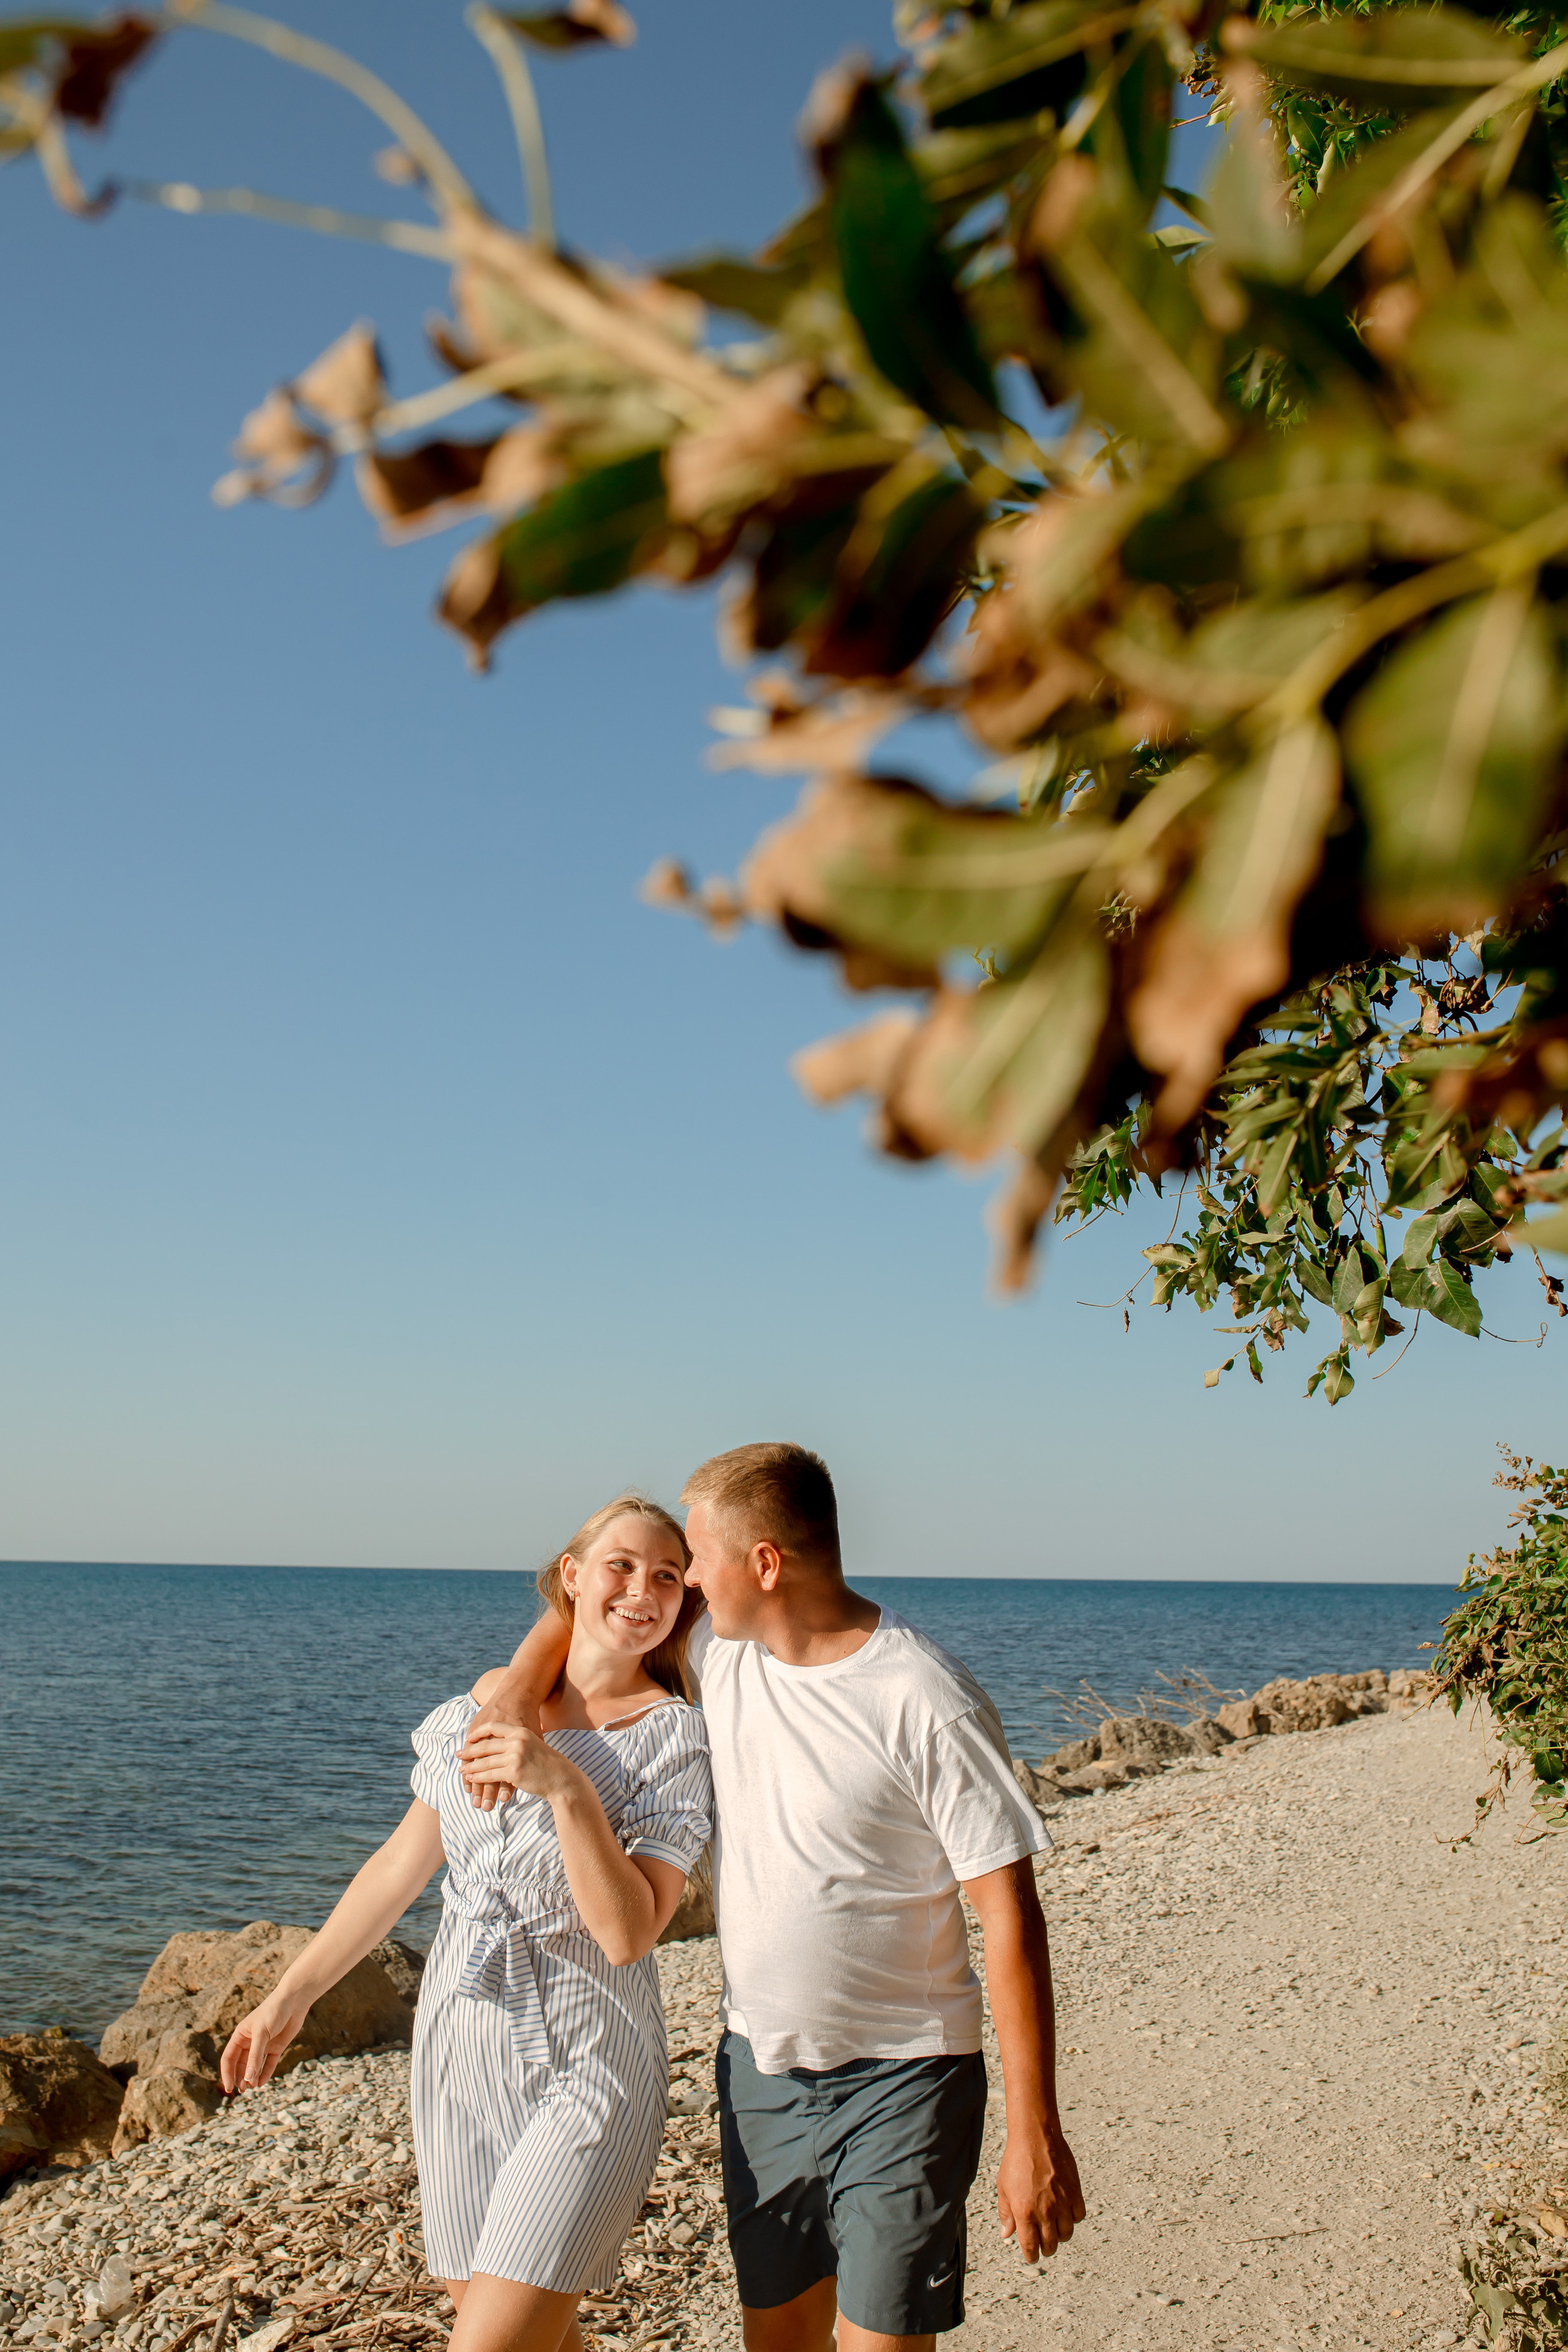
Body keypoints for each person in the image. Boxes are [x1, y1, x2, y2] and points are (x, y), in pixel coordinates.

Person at [461, 1443, 1084, 2352]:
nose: (685, 1586)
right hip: (759, 2073)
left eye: (699, 1561)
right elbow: (583, 1618)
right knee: (778, 2343)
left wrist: (1035, 2133)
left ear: (764, 1564)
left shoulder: (922, 1696)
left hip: (905, 2076)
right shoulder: (721, 1651)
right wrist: (517, 1690)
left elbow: (1011, 1919)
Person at [221, 1496, 713, 2352]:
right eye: (622, 1566)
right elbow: (398, 1870)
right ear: (572, 1576)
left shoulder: (671, 1740)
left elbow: (632, 1932)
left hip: (588, 2062)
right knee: (526, 2333)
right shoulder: (481, 1709)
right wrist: (288, 1997)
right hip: (457, 2050)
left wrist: (562, 1787)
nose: (642, 1590)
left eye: (667, 1577)